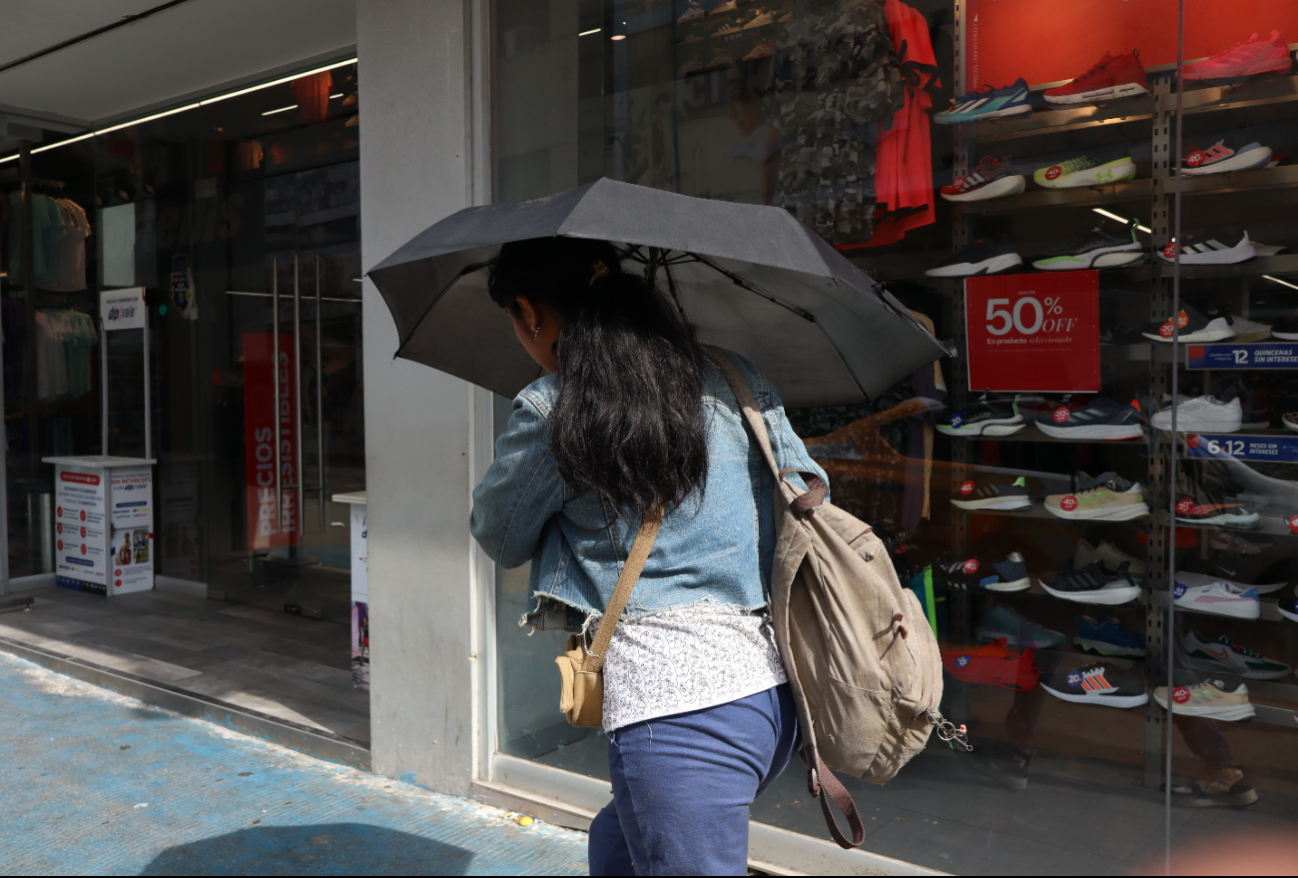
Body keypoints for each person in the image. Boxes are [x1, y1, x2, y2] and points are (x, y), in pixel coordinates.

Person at [470, 237, 828, 876]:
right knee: (619, 844)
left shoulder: (557, 408)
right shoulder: (734, 376)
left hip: (678, 721)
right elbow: (806, 494)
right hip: (774, 698)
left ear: (530, 312)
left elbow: (500, 536)